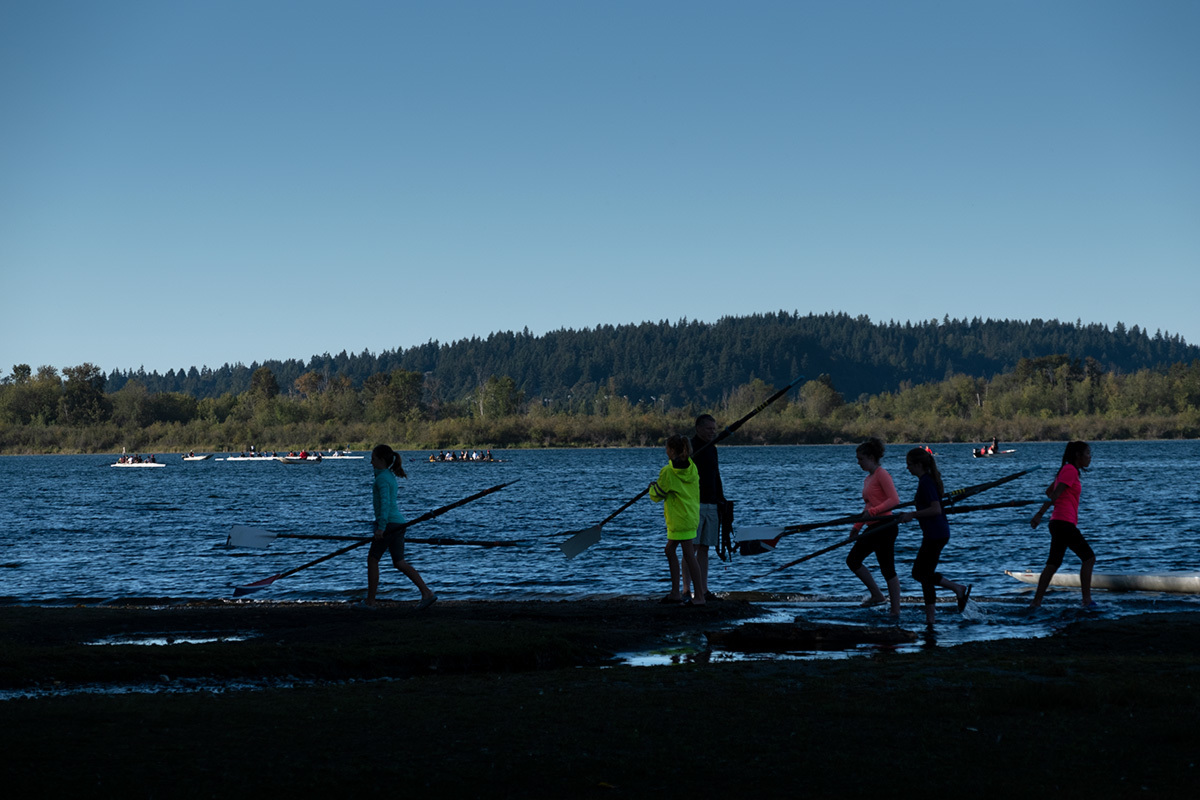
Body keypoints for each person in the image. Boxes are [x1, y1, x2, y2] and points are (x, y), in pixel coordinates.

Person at [897, 448, 970, 625]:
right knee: (922, 573)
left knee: (922, 574)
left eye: (909, 465)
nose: (907, 468)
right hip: (936, 533)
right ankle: (955, 591)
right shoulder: (926, 481)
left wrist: (913, 515)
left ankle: (932, 618)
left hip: (936, 533)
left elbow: (935, 509)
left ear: (919, 465)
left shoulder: (926, 482)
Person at [364, 444, 437, 610]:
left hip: (389, 524)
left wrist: (381, 528)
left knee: (373, 559)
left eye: (373, 458)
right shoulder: (389, 475)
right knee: (399, 562)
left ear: (382, 460)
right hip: (398, 523)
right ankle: (427, 593)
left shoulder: (382, 479)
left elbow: (385, 504)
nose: (371, 462)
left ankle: (370, 601)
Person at [1026, 441, 1095, 611]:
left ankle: (1036, 602)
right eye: (1087, 453)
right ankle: (1087, 601)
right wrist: (1040, 514)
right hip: (1063, 522)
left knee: (1053, 563)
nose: (1090, 456)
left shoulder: (1068, 470)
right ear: (1078, 455)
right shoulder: (1070, 470)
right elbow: (1054, 494)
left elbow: (1049, 491)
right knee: (1089, 558)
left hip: (1058, 522)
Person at [845, 438, 902, 616]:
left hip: (885, 526)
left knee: (887, 568)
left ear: (871, 457)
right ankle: (877, 595)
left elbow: (894, 500)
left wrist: (875, 512)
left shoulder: (882, 474)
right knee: (853, 560)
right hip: (874, 526)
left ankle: (895, 610)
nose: (858, 462)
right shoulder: (868, 479)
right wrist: (857, 527)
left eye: (860, 459)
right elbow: (868, 506)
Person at [649, 434, 705, 605]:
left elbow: (657, 496)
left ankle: (699, 597)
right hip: (690, 517)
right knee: (671, 550)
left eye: (666, 448)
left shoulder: (668, 472)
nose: (665, 451)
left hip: (679, 520)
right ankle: (675, 592)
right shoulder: (692, 467)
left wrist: (652, 488)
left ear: (671, 450)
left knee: (688, 554)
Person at [683, 414, 725, 601]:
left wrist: (721, 498)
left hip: (712, 502)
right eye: (709, 429)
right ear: (698, 428)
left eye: (714, 429)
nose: (712, 432)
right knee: (692, 546)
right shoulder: (690, 447)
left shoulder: (713, 449)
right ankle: (686, 589)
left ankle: (704, 589)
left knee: (705, 547)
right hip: (694, 504)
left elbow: (716, 474)